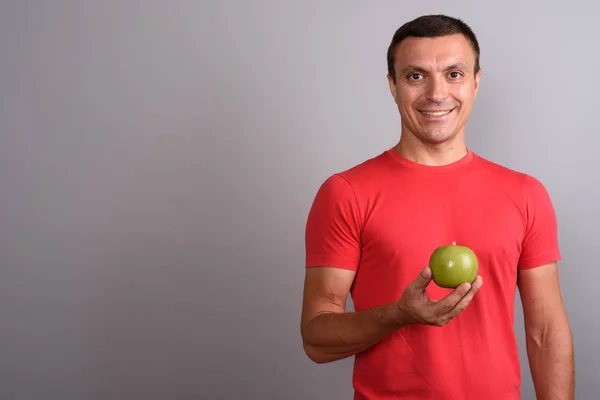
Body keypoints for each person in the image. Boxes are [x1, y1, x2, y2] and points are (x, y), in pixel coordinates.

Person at [300, 14, 575, 400]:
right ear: (392, 87)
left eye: (454, 74)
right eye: (415, 76)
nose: (436, 92)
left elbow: (546, 331)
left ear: (476, 83)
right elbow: (316, 338)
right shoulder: (346, 192)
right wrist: (399, 314)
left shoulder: (526, 194)